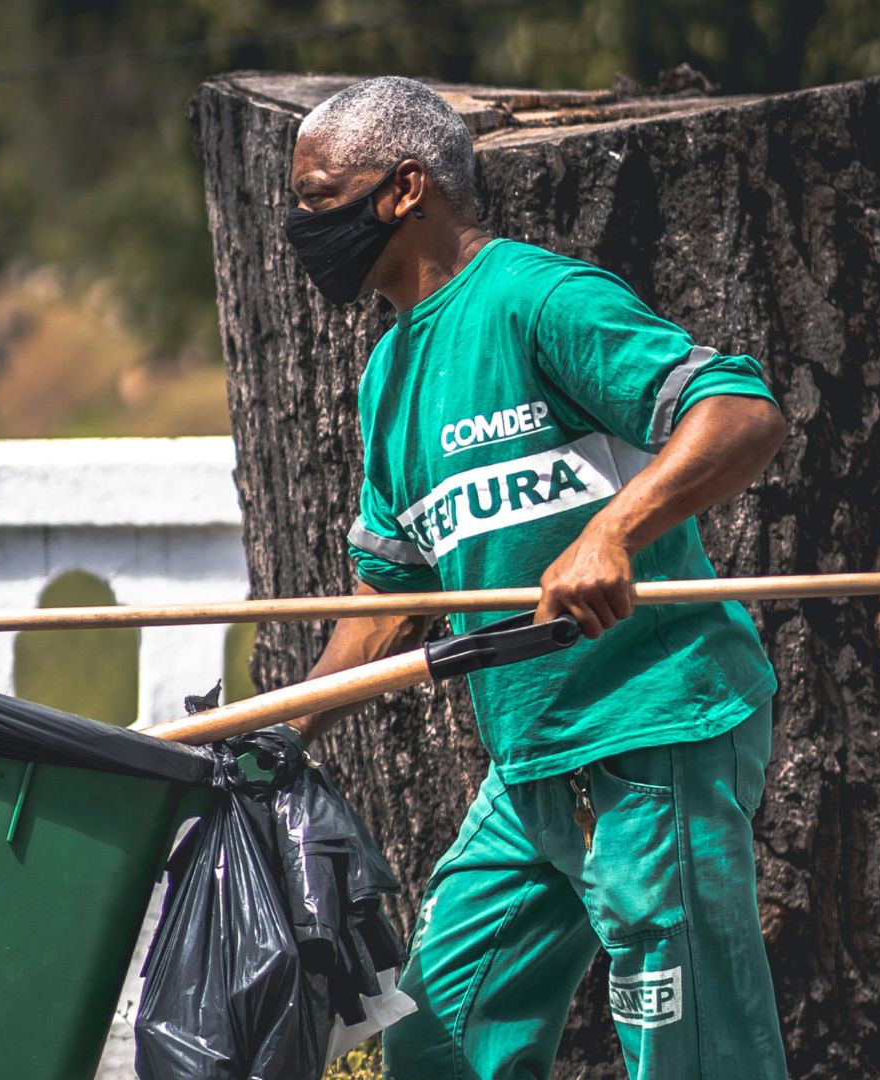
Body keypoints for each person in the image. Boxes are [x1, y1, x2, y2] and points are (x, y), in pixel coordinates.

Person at [279, 76, 790, 1079]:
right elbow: (392, 598)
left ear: (404, 188)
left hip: (653, 738)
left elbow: (742, 411)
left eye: (318, 193)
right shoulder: (388, 375)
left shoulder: (541, 300)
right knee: (429, 1042)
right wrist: (283, 730)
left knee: (694, 1058)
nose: (301, 223)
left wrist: (613, 533)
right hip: (532, 769)